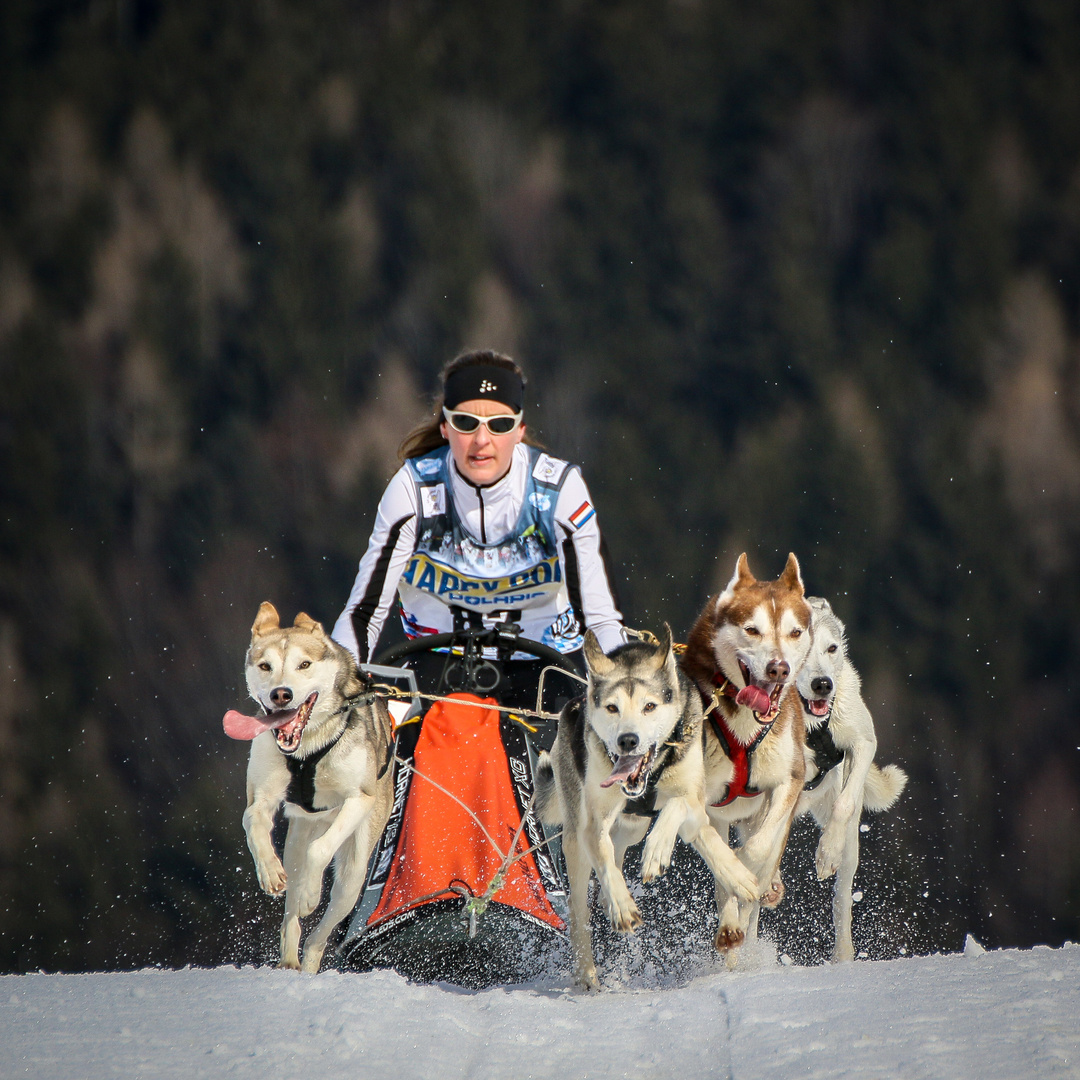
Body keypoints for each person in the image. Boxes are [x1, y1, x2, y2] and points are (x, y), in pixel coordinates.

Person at [332, 349, 625, 699]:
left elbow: (600, 618)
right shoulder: (414, 489)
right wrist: (338, 688)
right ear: (445, 426)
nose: (481, 440)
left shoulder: (558, 491)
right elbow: (364, 612)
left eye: (499, 425)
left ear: (519, 430)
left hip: (545, 669)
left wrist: (620, 692)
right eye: (466, 423)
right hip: (436, 668)